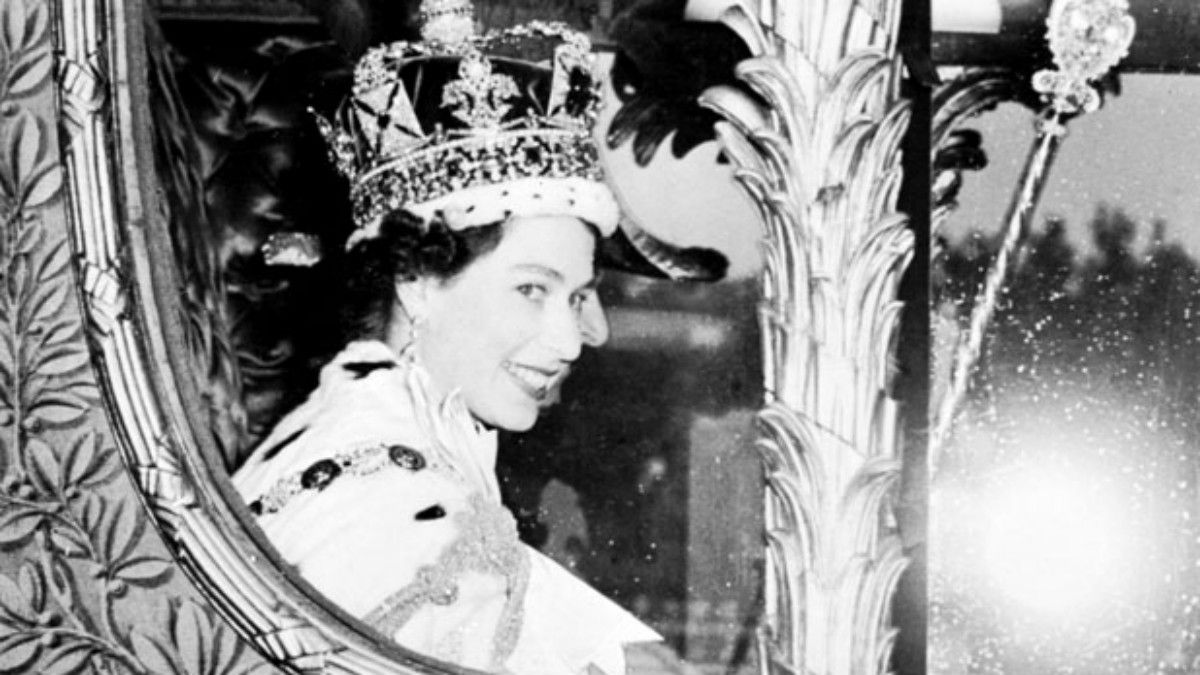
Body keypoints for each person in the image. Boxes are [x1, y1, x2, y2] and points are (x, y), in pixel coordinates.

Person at [231, 1, 697, 672]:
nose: (569, 340)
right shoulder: (387, 500)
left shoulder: (393, 442)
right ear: (418, 278)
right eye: (531, 289)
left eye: (576, 296)